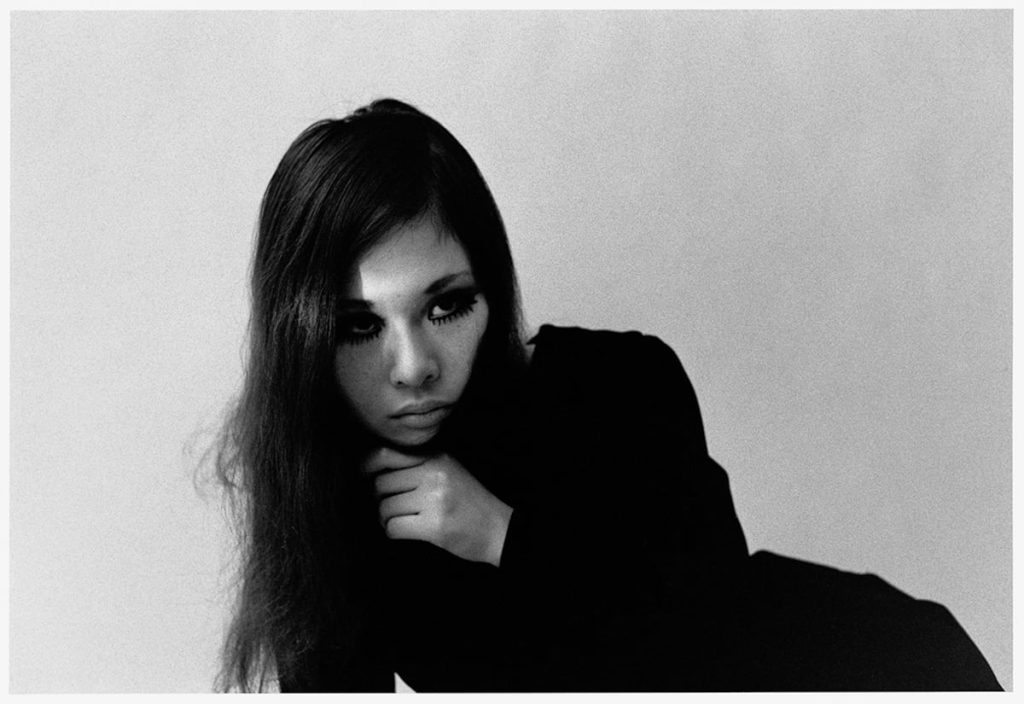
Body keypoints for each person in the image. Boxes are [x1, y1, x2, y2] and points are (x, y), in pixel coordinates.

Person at [213, 98, 1001, 692]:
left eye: (446, 305)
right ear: (301, 339)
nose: (413, 366)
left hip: (872, 668)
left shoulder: (621, 383)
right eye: (359, 326)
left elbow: (710, 636)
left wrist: (503, 535)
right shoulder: (326, 494)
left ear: (492, 290)